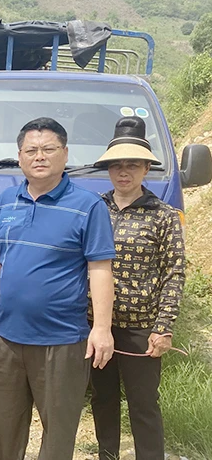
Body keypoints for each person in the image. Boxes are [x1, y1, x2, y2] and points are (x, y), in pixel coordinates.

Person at [0, 117, 116, 459]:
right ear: (20, 156)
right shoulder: (7, 200)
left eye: (49, 149)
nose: (39, 156)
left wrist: (101, 328)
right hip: (8, 338)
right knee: (5, 434)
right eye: (31, 150)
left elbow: (100, 268)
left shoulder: (88, 206)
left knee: (57, 437)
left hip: (62, 342)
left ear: (65, 154)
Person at [89, 116, 185, 460]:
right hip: (96, 325)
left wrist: (164, 327)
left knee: (143, 405)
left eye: (132, 165)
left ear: (146, 168)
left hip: (141, 328)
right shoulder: (94, 208)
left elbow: (174, 273)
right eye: (116, 165)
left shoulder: (163, 216)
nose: (123, 171)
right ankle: (107, 455)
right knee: (103, 400)